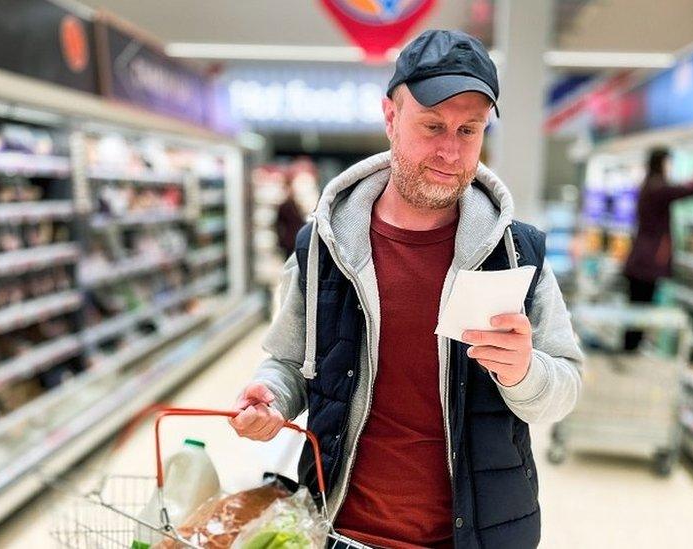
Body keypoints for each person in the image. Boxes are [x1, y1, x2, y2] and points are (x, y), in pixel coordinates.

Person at [230, 29, 583, 549]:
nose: (450, 150)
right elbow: (287, 364)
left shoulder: (515, 254)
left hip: (476, 536)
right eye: (433, 125)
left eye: (469, 130)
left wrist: (525, 373)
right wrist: (272, 401)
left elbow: (565, 385)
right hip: (337, 532)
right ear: (391, 118)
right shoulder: (323, 246)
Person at [621, 146, 693, 350]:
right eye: (669, 162)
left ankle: (630, 349)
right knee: (640, 312)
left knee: (636, 311)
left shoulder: (649, 185)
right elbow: (681, 191)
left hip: (640, 260)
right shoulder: (657, 188)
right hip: (646, 264)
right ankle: (630, 351)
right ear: (662, 163)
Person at [274, 170, 305, 259]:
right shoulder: (286, 206)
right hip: (290, 241)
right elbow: (278, 224)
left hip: (294, 240)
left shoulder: (295, 205)